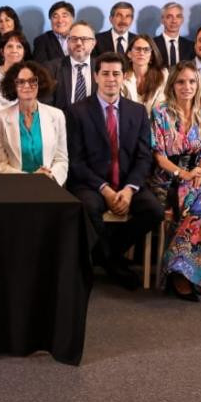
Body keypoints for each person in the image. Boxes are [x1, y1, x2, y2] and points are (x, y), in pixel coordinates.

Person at [66, 51, 163, 289]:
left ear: (123, 77)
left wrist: (129, 190)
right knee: (88, 208)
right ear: (96, 76)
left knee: (154, 210)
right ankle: (114, 263)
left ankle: (106, 254)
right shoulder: (77, 111)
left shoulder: (137, 111)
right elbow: (76, 161)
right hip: (92, 183)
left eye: (116, 74)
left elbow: (144, 156)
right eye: (106, 73)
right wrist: (106, 190)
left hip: (128, 182)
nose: (111, 79)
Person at [148, 61, 201, 300]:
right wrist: (184, 175)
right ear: (173, 85)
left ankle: (180, 268)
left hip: (196, 175)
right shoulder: (160, 112)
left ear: (198, 84)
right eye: (181, 81)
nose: (186, 86)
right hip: (167, 179)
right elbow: (158, 155)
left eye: (191, 81)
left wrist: (199, 173)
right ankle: (181, 271)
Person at [0, 61, 68, 185]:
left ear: (40, 84)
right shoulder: (0, 118)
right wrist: (31, 179)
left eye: (32, 81)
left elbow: (61, 160)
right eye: (20, 82)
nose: (27, 86)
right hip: (16, 186)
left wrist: (49, 176)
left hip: (49, 184)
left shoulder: (57, 115)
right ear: (13, 86)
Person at [45, 20, 96, 114]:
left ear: (93, 43)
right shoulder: (51, 68)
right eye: (74, 39)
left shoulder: (102, 68)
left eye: (84, 39)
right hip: (62, 124)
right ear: (68, 42)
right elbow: (46, 105)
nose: (79, 43)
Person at [122, 34, 167, 110]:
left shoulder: (163, 75)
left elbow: (162, 106)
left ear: (151, 56)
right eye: (137, 49)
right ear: (129, 54)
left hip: (155, 120)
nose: (141, 53)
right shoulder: (122, 76)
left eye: (146, 50)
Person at [155, 2, 195, 67]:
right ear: (162, 20)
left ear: (182, 20)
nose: (174, 21)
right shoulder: (152, 44)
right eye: (169, 17)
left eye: (178, 16)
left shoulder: (191, 46)